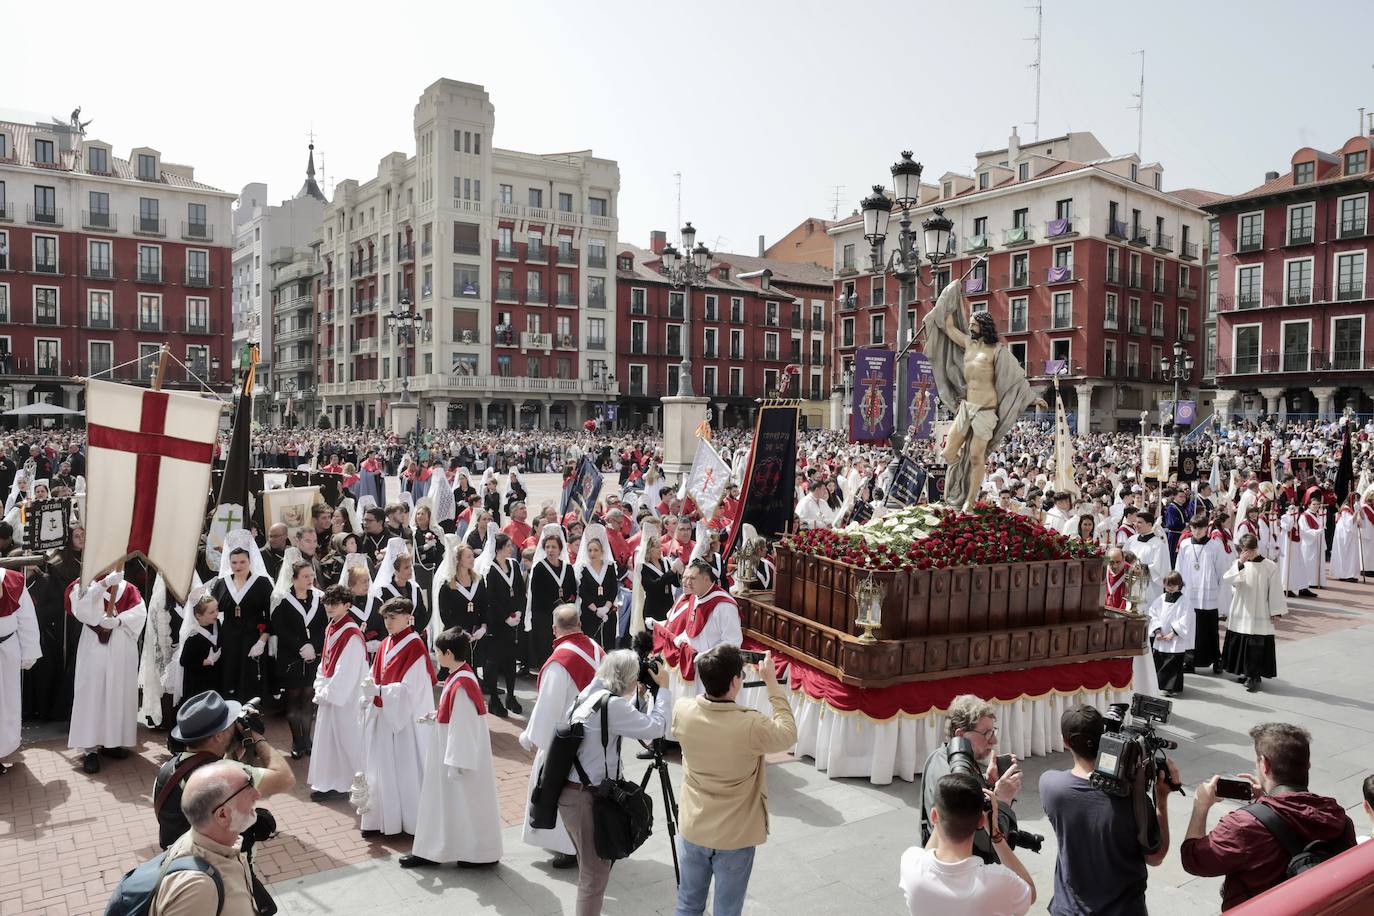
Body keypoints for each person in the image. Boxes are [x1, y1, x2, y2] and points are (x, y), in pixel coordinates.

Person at [670, 644, 797, 916]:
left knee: (687, 905)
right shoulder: (750, 724)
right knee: (727, 911)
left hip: (694, 826)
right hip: (735, 835)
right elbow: (788, 734)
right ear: (736, 681)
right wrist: (772, 683)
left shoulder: (683, 710)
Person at [1181, 723, 1357, 910]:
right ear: (1308, 765)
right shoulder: (1339, 819)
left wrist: (1200, 806)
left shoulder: (1242, 826)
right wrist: (1266, 804)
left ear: (1264, 764)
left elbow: (1193, 859)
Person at [558, 649, 670, 916]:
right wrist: (663, 690)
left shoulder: (590, 693)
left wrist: (640, 696)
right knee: (594, 877)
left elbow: (619, 721)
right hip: (587, 799)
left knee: (591, 871)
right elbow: (655, 729)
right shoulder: (613, 705)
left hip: (571, 793)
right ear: (628, 678)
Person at [1039, 704, 1177, 915]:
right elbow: (1155, 857)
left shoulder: (1049, 785)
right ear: (1104, 735)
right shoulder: (1134, 799)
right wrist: (1162, 799)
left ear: (1066, 743)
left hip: (1069, 909)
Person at [401, 628, 503, 869]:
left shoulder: (462, 683)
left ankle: (466, 852)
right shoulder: (460, 677)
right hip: (450, 753)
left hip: (455, 758)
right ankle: (463, 851)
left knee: (453, 804)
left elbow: (464, 727)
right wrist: (436, 716)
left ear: (448, 653)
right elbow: (457, 716)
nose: (436, 656)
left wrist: (457, 763)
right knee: (456, 805)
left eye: (437, 652)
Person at [152, 689, 295, 851]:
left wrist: (233, 749)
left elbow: (214, 790)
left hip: (180, 860)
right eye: (229, 724)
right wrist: (257, 737)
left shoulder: (166, 770)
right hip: (219, 867)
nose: (233, 727)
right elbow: (284, 777)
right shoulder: (225, 772)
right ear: (218, 736)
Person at [519, 604, 606, 869]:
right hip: (599, 735)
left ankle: (568, 847)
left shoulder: (560, 662)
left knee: (563, 792)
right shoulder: (596, 648)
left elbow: (548, 706)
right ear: (579, 624)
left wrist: (532, 738)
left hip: (569, 741)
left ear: (554, 629)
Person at [898, 772, 1035, 916]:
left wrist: (944, 813)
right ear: (981, 821)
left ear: (934, 816)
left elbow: (927, 855)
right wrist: (995, 833)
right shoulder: (998, 881)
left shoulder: (911, 862)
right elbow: (1030, 893)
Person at [359, 598, 435, 837]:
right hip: (385, 714)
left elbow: (411, 690)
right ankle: (380, 819)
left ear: (407, 617)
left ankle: (409, 822)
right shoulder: (385, 643)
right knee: (381, 768)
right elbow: (375, 673)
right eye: (385, 618)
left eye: (393, 617)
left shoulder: (415, 646)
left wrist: (380, 691)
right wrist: (369, 688)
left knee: (404, 769)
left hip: (405, 721)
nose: (388, 622)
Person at [919, 695, 1023, 865]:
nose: (994, 740)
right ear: (960, 734)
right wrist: (1003, 799)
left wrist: (988, 782)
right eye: (986, 733)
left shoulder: (937, 756)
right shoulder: (955, 777)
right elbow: (988, 842)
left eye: (993, 731)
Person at [149, 761, 262, 916]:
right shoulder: (197, 889)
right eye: (247, 787)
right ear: (223, 815)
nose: (257, 794)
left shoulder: (220, 845)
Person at [68, 570, 147, 773]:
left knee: (116, 692)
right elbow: (81, 610)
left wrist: (120, 621)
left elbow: (140, 612)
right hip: (95, 646)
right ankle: (90, 749)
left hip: (121, 647)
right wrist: (102, 584)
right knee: (93, 693)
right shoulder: (82, 583)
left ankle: (112, 741)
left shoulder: (127, 588)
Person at [308, 584, 367, 802]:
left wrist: (327, 692)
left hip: (346, 697)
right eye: (328, 603)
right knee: (328, 740)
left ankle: (352, 781)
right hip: (329, 693)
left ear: (347, 605)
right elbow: (325, 660)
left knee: (346, 739)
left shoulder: (351, 633)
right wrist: (319, 683)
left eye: (335, 603)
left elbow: (347, 671)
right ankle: (330, 782)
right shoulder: (332, 626)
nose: (330, 607)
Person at [661, 558, 743, 697]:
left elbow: (733, 642)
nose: (687, 582)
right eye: (685, 577)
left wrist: (706, 655)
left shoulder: (724, 606)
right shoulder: (695, 597)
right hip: (692, 665)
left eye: (692, 578)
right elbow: (693, 628)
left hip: (713, 671)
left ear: (706, 579)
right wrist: (682, 638)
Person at [209, 533, 274, 703]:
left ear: (250, 560)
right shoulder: (221, 583)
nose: (238, 566)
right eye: (234, 562)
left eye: (242, 562)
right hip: (228, 638)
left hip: (252, 638)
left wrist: (262, 641)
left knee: (250, 683)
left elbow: (271, 616)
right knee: (229, 680)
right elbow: (213, 612)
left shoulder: (262, 583)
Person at [1221, 533, 1287, 693]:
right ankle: (1245, 672)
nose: (1247, 554)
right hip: (1241, 608)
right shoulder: (1240, 564)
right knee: (1243, 642)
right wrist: (1240, 563)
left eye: (1249, 551)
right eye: (1244, 551)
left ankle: (1253, 675)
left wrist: (1276, 611)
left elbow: (1276, 590)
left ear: (1256, 548)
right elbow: (1228, 579)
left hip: (1260, 611)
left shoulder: (1269, 566)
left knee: (1255, 644)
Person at [0, 566, 41, 773]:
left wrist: (29, 652)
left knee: (6, 703)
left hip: (7, 649)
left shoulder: (13, 580)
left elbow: (26, 619)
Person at [481, 531, 525, 716]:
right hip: (497, 623)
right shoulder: (489, 569)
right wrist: (504, 617)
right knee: (493, 662)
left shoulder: (513, 565)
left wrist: (519, 612)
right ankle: (494, 699)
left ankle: (511, 695)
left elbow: (521, 591)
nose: (511, 548)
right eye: (508, 546)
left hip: (514, 621)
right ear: (498, 549)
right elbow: (489, 599)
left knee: (510, 660)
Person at [1177, 515, 1225, 675]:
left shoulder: (1215, 546)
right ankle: (1189, 661)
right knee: (1190, 629)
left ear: (1206, 528)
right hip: (1189, 593)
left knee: (1210, 628)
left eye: (1201, 528)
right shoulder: (1184, 545)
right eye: (1194, 528)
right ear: (1190, 528)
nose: (1197, 531)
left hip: (1208, 595)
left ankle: (1216, 660)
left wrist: (1219, 592)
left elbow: (1221, 571)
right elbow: (1179, 569)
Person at [526, 525, 576, 670]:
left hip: (564, 616)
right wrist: (555, 606)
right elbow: (537, 593)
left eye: (554, 547)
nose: (550, 550)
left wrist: (567, 604)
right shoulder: (539, 568)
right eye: (547, 547)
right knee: (546, 649)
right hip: (545, 616)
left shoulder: (567, 568)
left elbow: (573, 590)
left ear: (560, 549)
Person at [1147, 570, 1193, 697]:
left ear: (1180, 585)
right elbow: (1153, 614)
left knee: (1173, 663)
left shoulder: (1184, 601)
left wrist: (1173, 633)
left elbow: (1186, 617)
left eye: (1173, 585)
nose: (1171, 588)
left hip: (1175, 638)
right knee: (1160, 661)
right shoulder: (1160, 599)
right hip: (1161, 637)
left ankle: (1172, 687)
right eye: (1168, 585)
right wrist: (1157, 631)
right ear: (1164, 585)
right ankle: (1159, 684)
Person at [575, 523, 620, 651]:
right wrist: (596, 610)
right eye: (590, 550)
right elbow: (583, 592)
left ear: (602, 551)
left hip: (608, 611)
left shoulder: (610, 566)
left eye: (596, 550)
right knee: (592, 645)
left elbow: (613, 588)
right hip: (590, 613)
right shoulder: (583, 569)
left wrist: (606, 607)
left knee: (608, 643)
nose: (592, 553)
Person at [1123, 511, 1166, 606]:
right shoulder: (1132, 540)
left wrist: (1141, 568)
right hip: (1131, 583)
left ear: (1149, 524)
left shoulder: (1158, 544)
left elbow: (1161, 569)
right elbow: (1124, 558)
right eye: (1136, 522)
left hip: (1149, 587)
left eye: (1140, 522)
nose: (1136, 525)